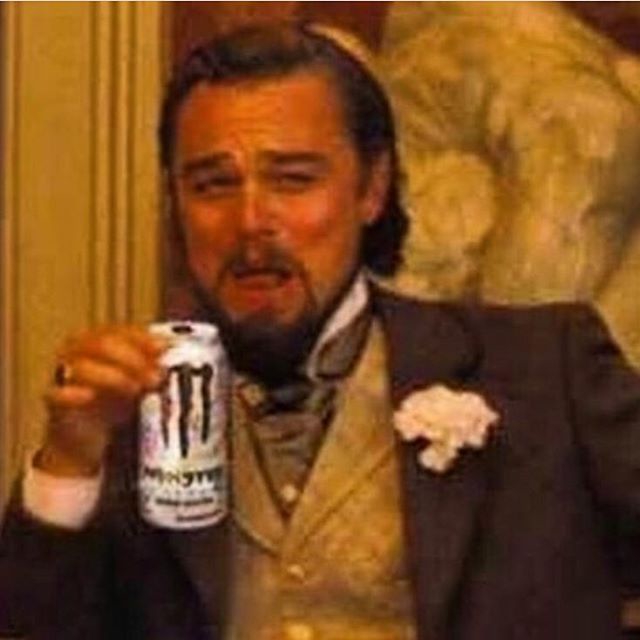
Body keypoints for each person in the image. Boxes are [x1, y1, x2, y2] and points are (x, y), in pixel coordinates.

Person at [2, 22, 640, 640]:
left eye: (293, 179)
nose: (251, 220)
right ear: (176, 206)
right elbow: (34, 623)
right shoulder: (133, 409)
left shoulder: (547, 372)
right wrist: (70, 459)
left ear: (371, 188)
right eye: (213, 185)